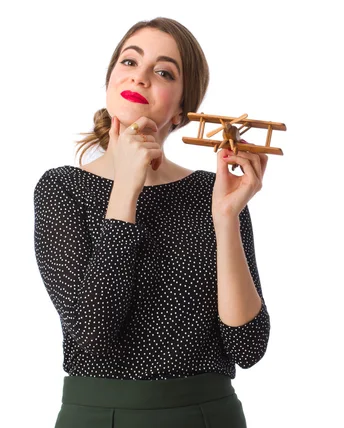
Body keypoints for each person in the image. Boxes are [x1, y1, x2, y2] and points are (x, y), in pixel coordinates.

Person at [33, 17, 270, 428]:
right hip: (97, 415)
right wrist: (126, 186)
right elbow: (91, 335)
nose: (139, 77)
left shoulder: (210, 194)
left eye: (162, 72)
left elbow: (247, 347)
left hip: (207, 414)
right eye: (129, 62)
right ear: (109, 79)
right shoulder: (62, 188)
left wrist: (226, 218)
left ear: (181, 108)